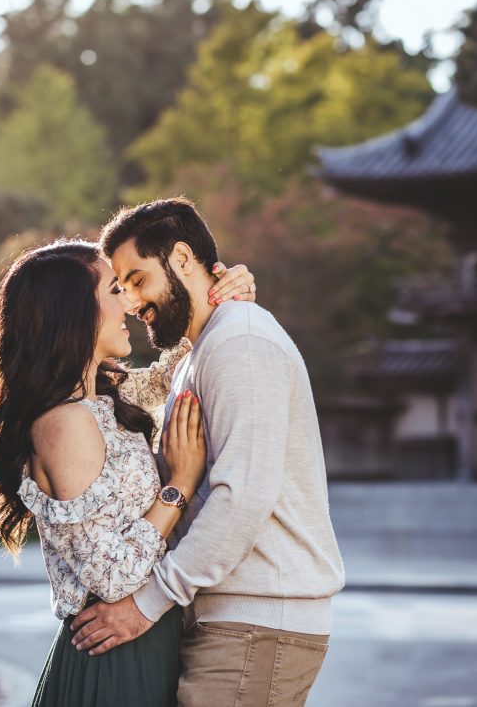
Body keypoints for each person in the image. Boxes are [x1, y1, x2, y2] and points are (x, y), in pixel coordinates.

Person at [70, 198, 346, 707]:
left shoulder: (240, 343)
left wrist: (146, 604)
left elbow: (242, 497)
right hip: (233, 619)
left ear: (180, 259)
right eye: (121, 287)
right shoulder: (203, 351)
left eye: (136, 279)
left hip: (260, 621)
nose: (131, 301)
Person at [0, 238, 257, 707]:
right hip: (115, 658)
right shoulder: (63, 423)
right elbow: (111, 577)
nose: (132, 303)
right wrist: (177, 486)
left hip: (145, 641)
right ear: (73, 312)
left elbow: (172, 373)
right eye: (116, 291)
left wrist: (220, 296)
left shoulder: (102, 399)